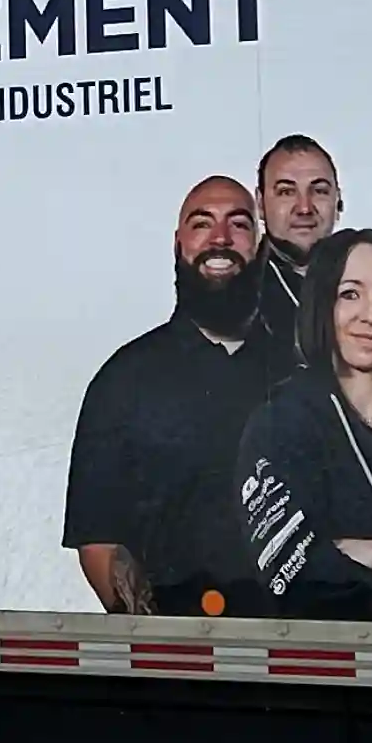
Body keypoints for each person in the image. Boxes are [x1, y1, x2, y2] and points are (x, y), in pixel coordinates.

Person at [62, 176, 273, 617]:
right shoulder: (122, 381)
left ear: (260, 246)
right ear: (179, 245)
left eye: (239, 225)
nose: (220, 239)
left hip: (300, 650)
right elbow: (99, 539)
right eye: (202, 224)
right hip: (175, 661)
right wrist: (157, 645)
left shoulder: (301, 373)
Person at [234, 227, 372, 617]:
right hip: (330, 670)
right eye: (350, 293)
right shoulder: (283, 422)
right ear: (322, 305)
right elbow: (297, 580)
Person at [246, 134, 345, 371]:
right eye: (286, 192)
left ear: (338, 200)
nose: (304, 208)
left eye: (319, 190)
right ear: (260, 204)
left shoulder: (371, 278)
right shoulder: (238, 294)